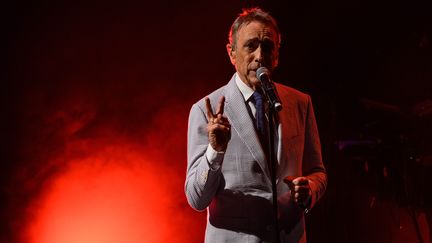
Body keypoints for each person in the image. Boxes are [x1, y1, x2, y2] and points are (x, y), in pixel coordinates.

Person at [185, 7, 327, 243]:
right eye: (250, 46)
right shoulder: (204, 110)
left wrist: (310, 188)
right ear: (232, 53)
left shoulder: (301, 103)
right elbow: (196, 199)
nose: (260, 55)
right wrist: (215, 150)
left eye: (268, 46)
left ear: (277, 55)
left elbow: (318, 171)